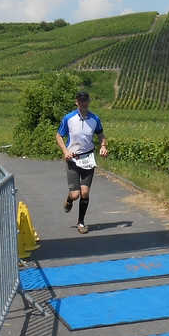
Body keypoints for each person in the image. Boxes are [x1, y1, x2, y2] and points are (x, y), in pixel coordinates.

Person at [55, 91, 108, 234]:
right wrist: (65, 151)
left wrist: (103, 146)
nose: (83, 103)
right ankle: (69, 200)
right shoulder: (69, 118)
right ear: (76, 102)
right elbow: (59, 136)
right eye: (81, 100)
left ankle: (81, 222)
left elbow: (101, 134)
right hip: (72, 159)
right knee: (75, 194)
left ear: (89, 102)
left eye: (86, 100)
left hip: (88, 159)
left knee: (85, 192)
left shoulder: (94, 119)